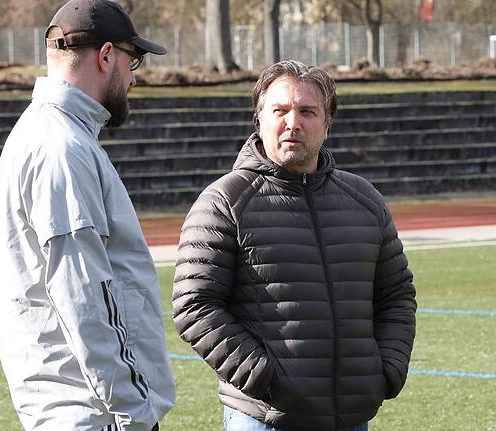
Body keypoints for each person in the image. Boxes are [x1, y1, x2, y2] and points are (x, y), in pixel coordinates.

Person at [172, 60, 417, 431]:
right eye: (280, 111)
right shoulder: (224, 201)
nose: (293, 123)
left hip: (352, 418)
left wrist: (386, 369)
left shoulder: (365, 200)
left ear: (327, 122)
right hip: (265, 419)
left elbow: (397, 294)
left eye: (307, 111)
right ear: (260, 120)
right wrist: (265, 378)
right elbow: (195, 306)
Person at [0, 1, 175, 430]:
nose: (134, 76)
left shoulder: (56, 134)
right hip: (92, 409)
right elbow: (82, 295)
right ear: (107, 55)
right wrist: (133, 408)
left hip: (82, 403)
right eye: (135, 60)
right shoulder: (61, 147)